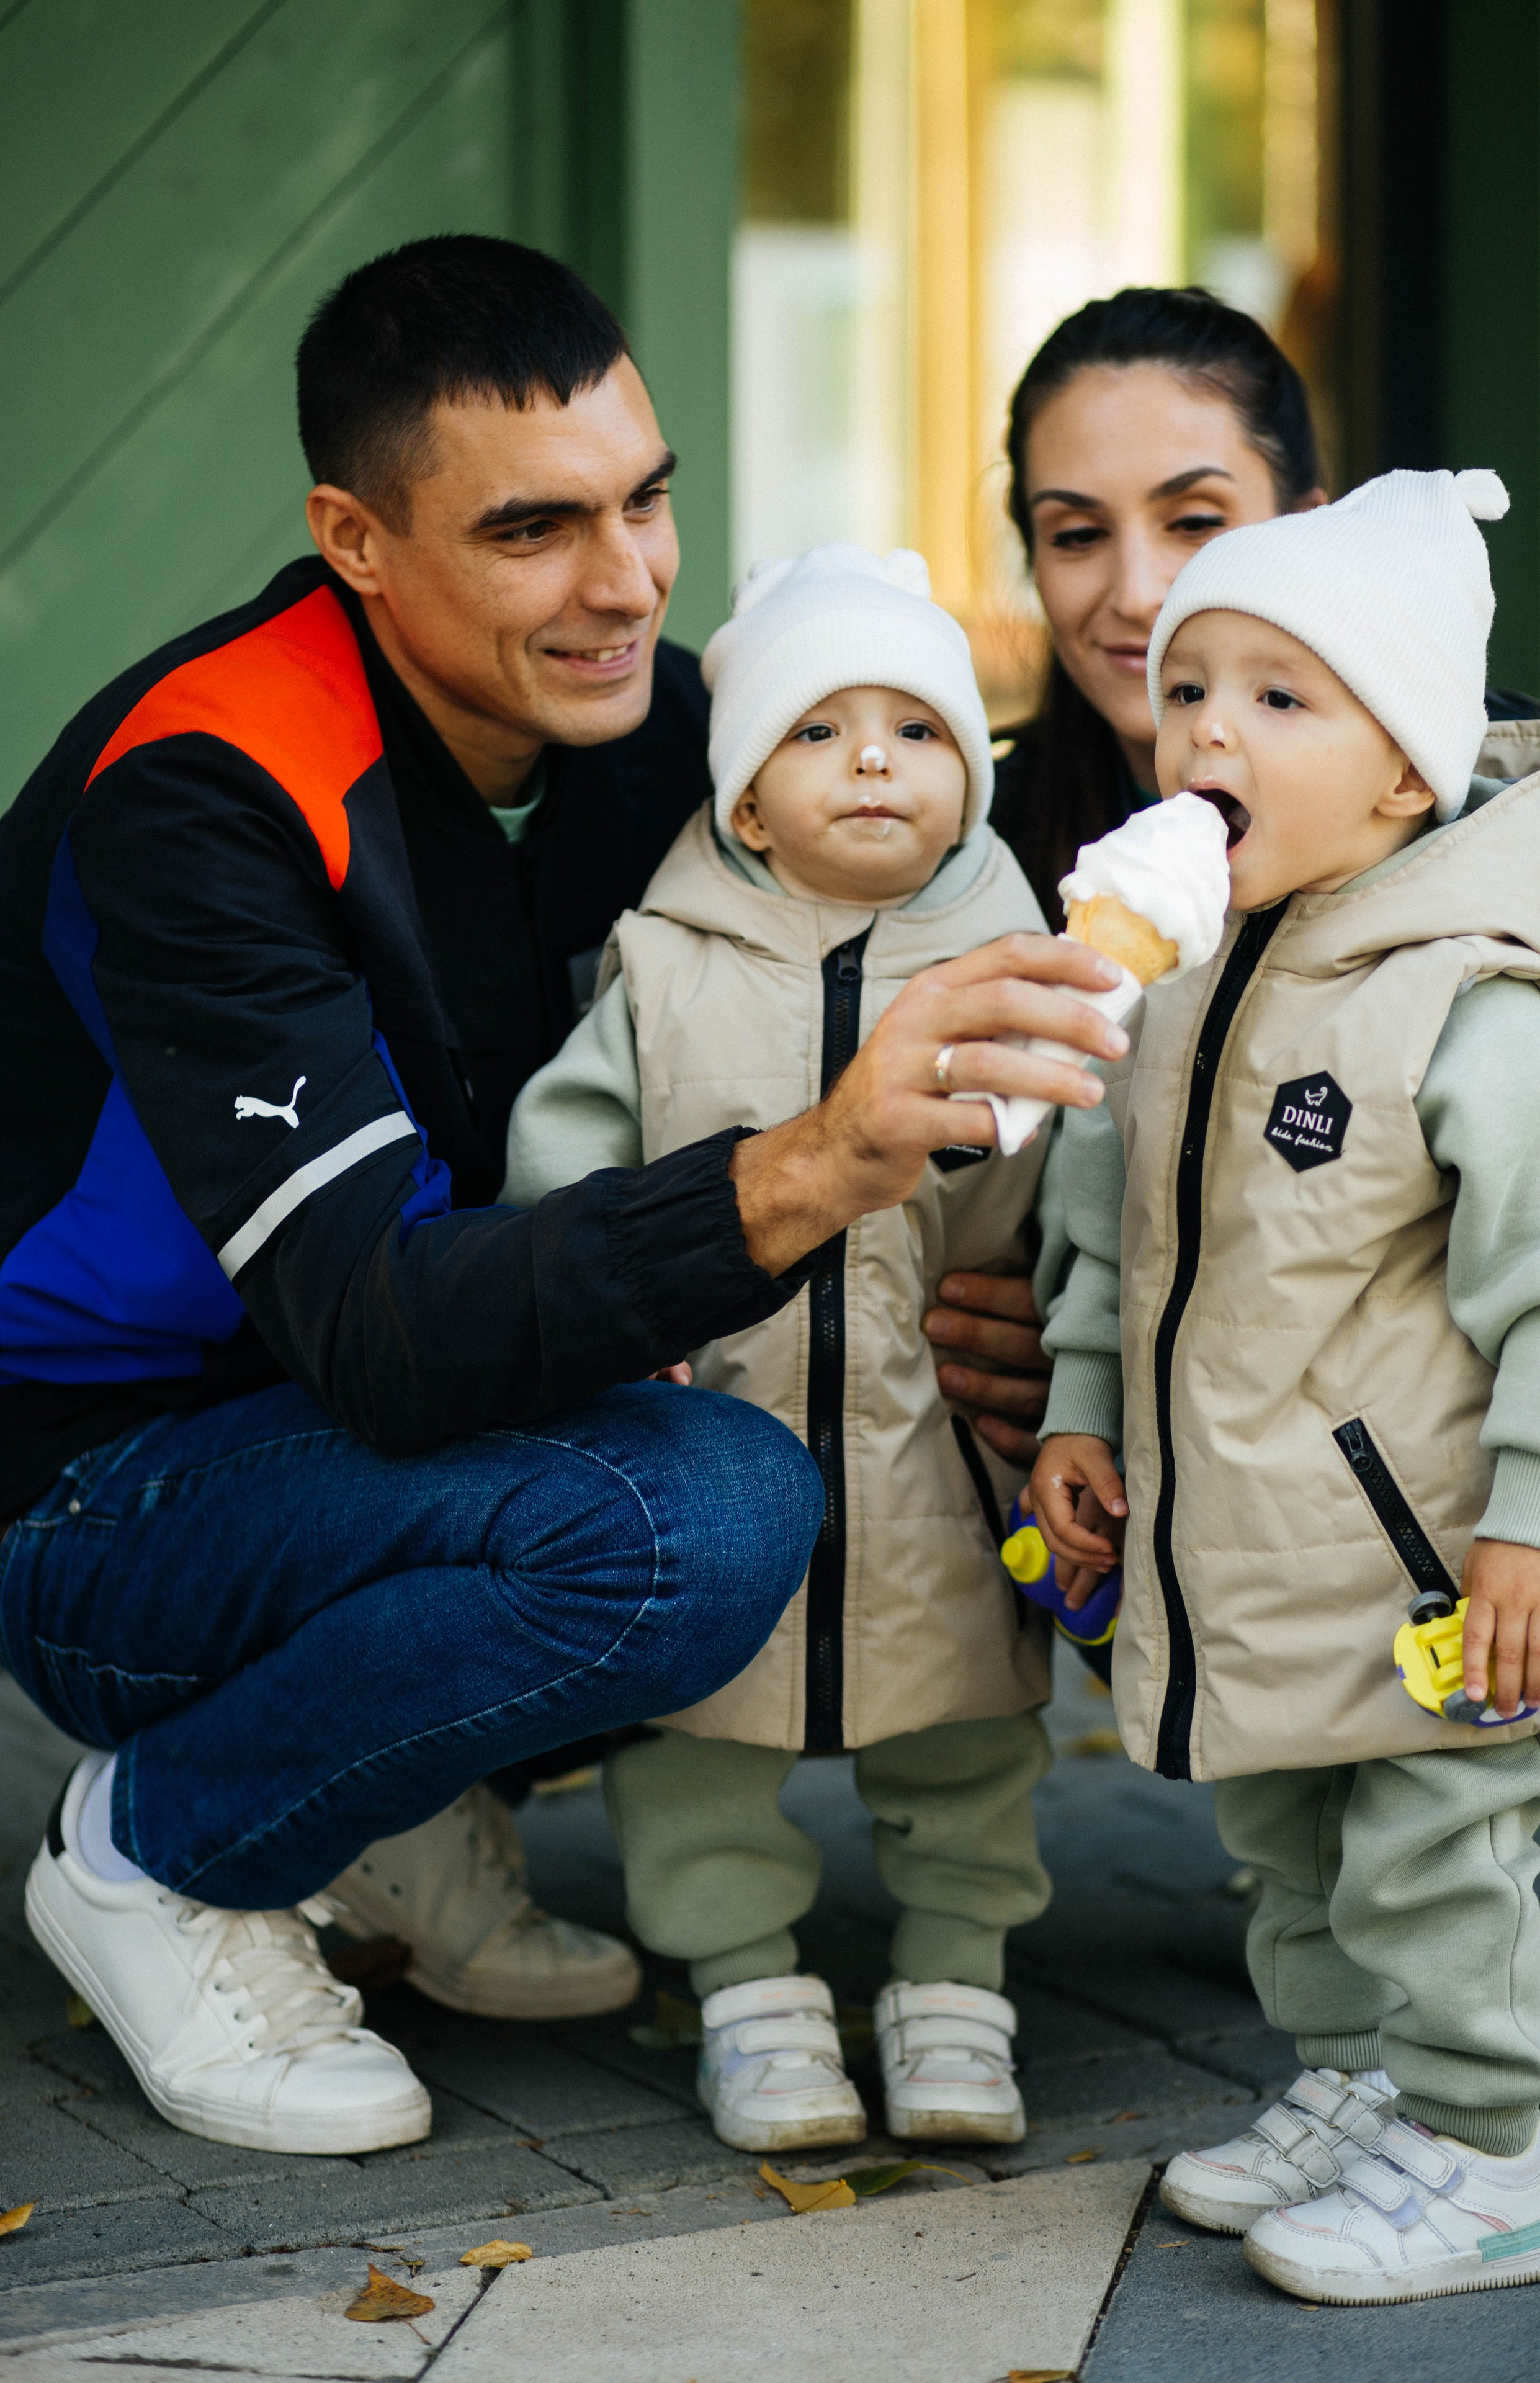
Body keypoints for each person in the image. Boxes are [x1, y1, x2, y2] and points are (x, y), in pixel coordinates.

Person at [0, 238, 1127, 2157]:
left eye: (645, 501)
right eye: (534, 529)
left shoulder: (661, 733)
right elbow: (382, 1336)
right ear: (356, 541)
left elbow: (944, 858)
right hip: (104, 1494)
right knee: (700, 1514)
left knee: (794, 1428)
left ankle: (387, 1799)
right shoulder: (206, 791)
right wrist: (816, 1168)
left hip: (378, 1450)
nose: (624, 582)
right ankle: (162, 1850)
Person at [1030, 467, 1540, 2305]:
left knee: (1432, 1860)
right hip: (1257, 1554)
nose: (1210, 730)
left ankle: (1486, 2156)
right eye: (1191, 690)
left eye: (1281, 697)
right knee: (1287, 1841)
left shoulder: (1470, 1003)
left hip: (1448, 1567)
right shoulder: (1185, 974)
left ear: (1406, 773)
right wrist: (1080, 1404)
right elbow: (1114, 1227)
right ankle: (1361, 2087)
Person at [503, 545, 1068, 2154]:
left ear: (969, 784)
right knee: (694, 1743)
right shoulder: (661, 967)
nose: (873, 759)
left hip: (938, 1444)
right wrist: (607, 1341)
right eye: (818, 731)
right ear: (746, 802)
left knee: (970, 1736)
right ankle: (746, 1987)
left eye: (917, 728)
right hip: (717, 1425)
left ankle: (957, 1983)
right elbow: (567, 1163)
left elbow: (1081, 1201)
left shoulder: (1026, 973)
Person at [926, 285, 1329, 1470]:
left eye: (1194, 521)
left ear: (1312, 530)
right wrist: (1065, 1350)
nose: (1139, 592)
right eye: (1076, 534)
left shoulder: (1486, 828)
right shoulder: (962, 854)